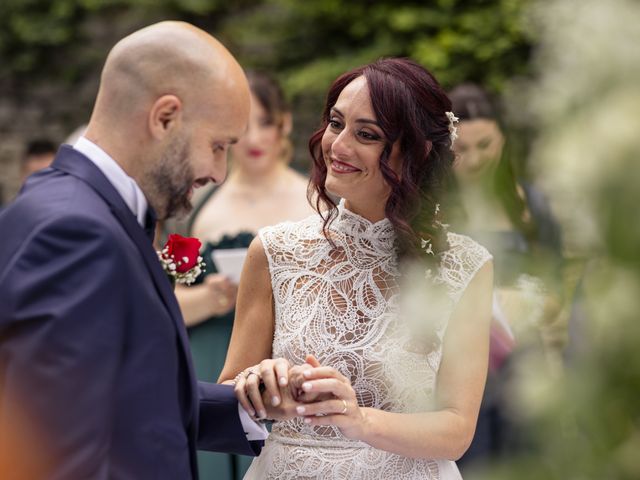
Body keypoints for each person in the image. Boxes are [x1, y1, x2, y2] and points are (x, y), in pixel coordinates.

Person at [0, 21, 292, 479]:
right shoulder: (76, 234)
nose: (219, 172)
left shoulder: (80, 210)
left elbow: (120, 392)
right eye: (218, 145)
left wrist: (248, 406)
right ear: (165, 118)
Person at [219, 58, 494, 479]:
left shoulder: (465, 266)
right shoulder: (274, 251)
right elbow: (226, 401)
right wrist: (260, 386)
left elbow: (457, 428)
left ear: (418, 151)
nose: (338, 145)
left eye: (366, 134)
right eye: (335, 123)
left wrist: (359, 419)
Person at [175, 71, 314, 479]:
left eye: (266, 123)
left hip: (284, 368)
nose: (254, 138)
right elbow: (171, 304)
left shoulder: (313, 199)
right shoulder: (197, 203)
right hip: (210, 356)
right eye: (244, 126)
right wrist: (213, 297)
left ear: (284, 124)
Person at [447, 83, 564, 472]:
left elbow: (559, 289)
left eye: (486, 146)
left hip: (520, 361)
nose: (476, 160)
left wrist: (528, 302)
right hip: (456, 366)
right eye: (462, 150)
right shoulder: (432, 209)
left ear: (503, 140)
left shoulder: (531, 204)